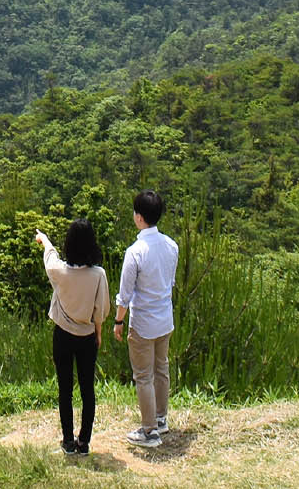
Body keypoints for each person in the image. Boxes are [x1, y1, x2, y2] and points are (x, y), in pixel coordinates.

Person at [35, 219, 107, 457]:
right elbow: (100, 309)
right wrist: (98, 333)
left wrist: (44, 239)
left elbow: (50, 257)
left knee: (65, 389)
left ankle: (67, 441)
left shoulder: (59, 271)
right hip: (87, 336)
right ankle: (84, 442)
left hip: (63, 336)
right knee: (88, 390)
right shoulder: (98, 275)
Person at [113, 190, 178, 448]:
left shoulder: (135, 251)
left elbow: (125, 294)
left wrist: (118, 321)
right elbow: (170, 282)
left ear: (139, 217)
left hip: (143, 323)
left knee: (143, 376)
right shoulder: (172, 245)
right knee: (161, 368)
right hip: (165, 319)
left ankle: (149, 431)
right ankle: (161, 419)